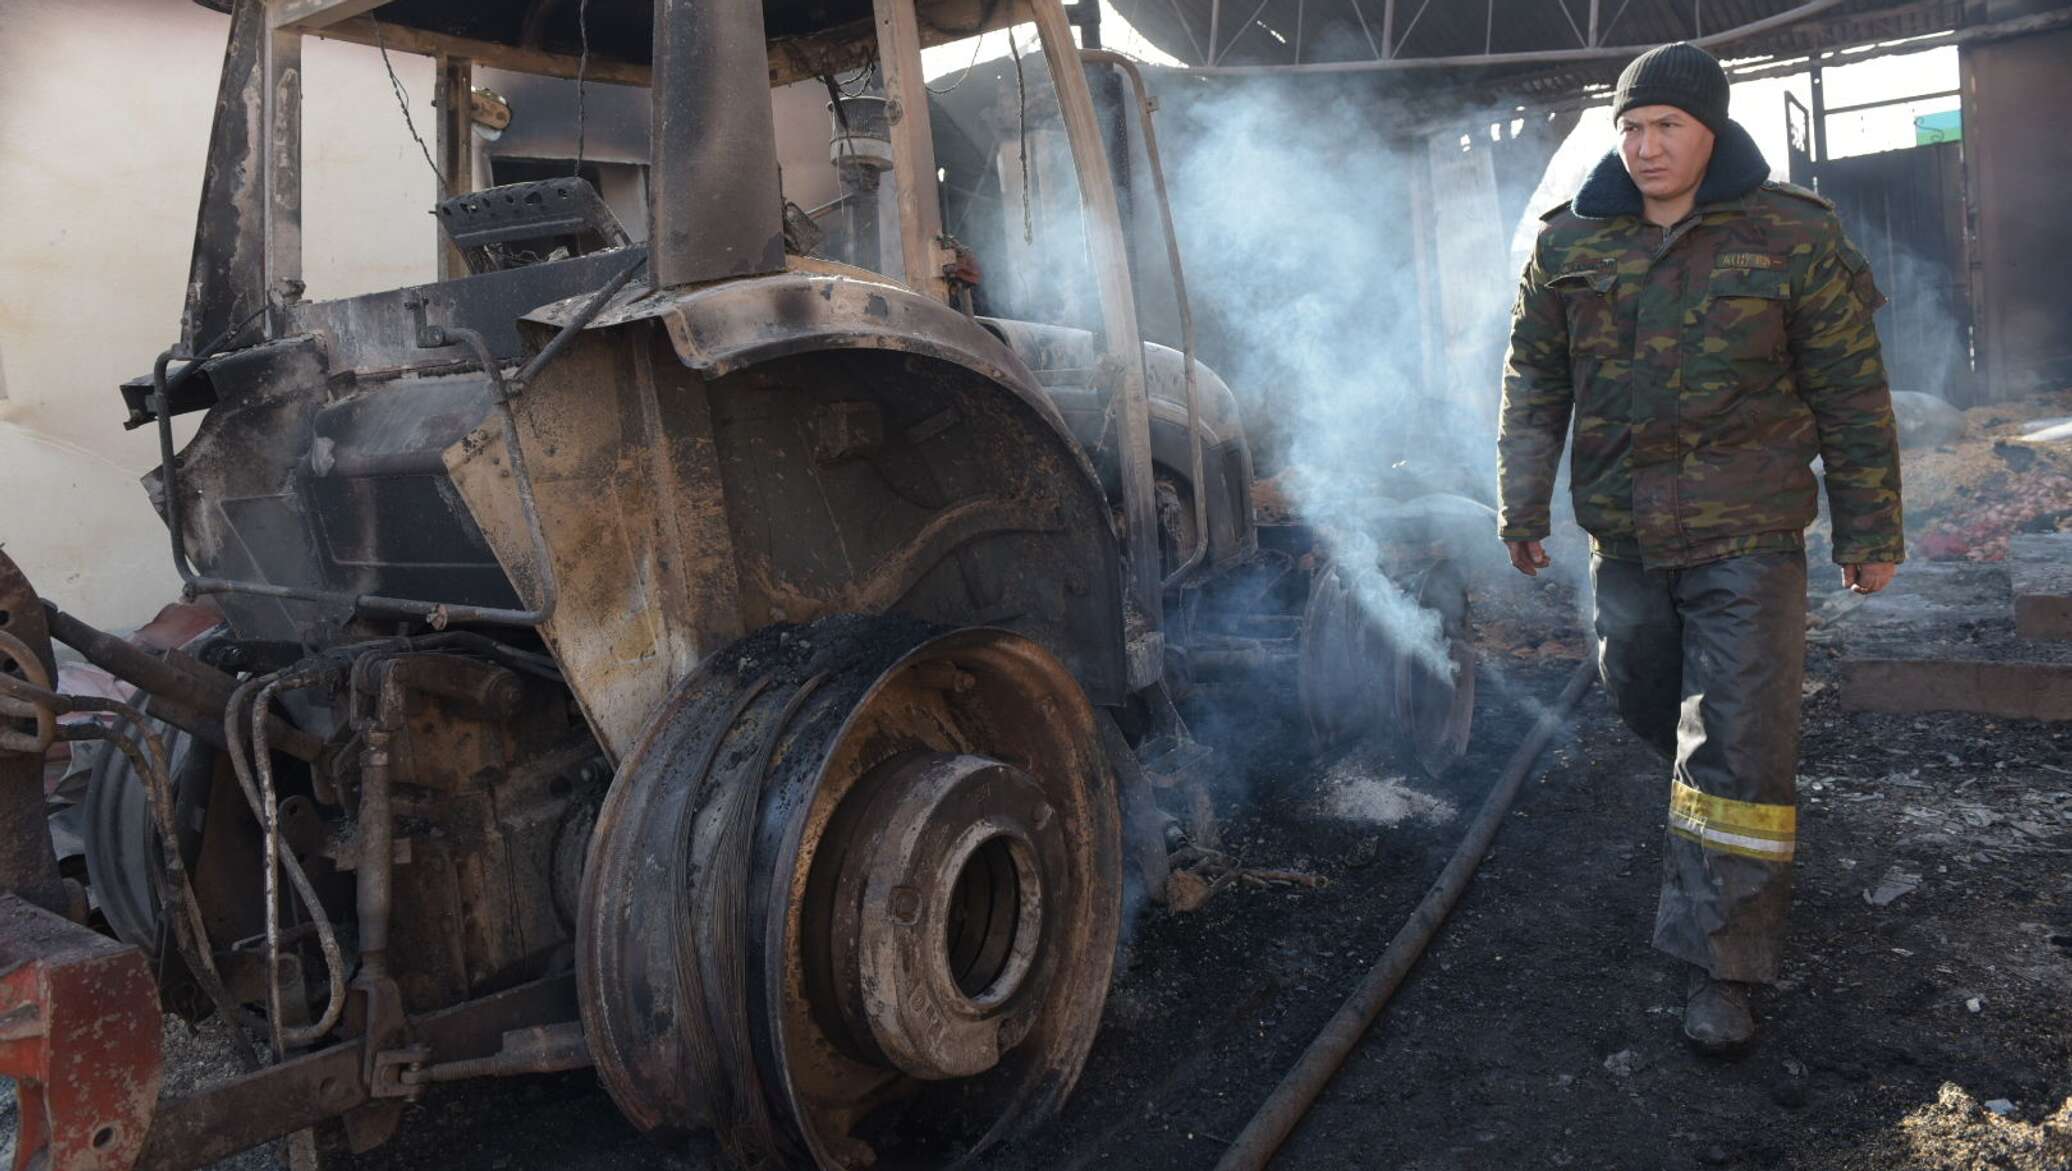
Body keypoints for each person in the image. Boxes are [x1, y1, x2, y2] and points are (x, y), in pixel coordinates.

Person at [1495, 41, 1904, 1054]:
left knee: (1736, 745)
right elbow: (1533, 385)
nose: (1642, 146)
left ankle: (1724, 965)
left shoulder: (1790, 237)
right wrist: (1520, 506)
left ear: (1708, 131)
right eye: (1629, 128)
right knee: (1640, 690)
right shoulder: (1571, 242)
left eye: (1663, 126)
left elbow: (1849, 394)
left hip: (1749, 536)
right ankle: (1705, 828)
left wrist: (1868, 527)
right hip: (1625, 537)